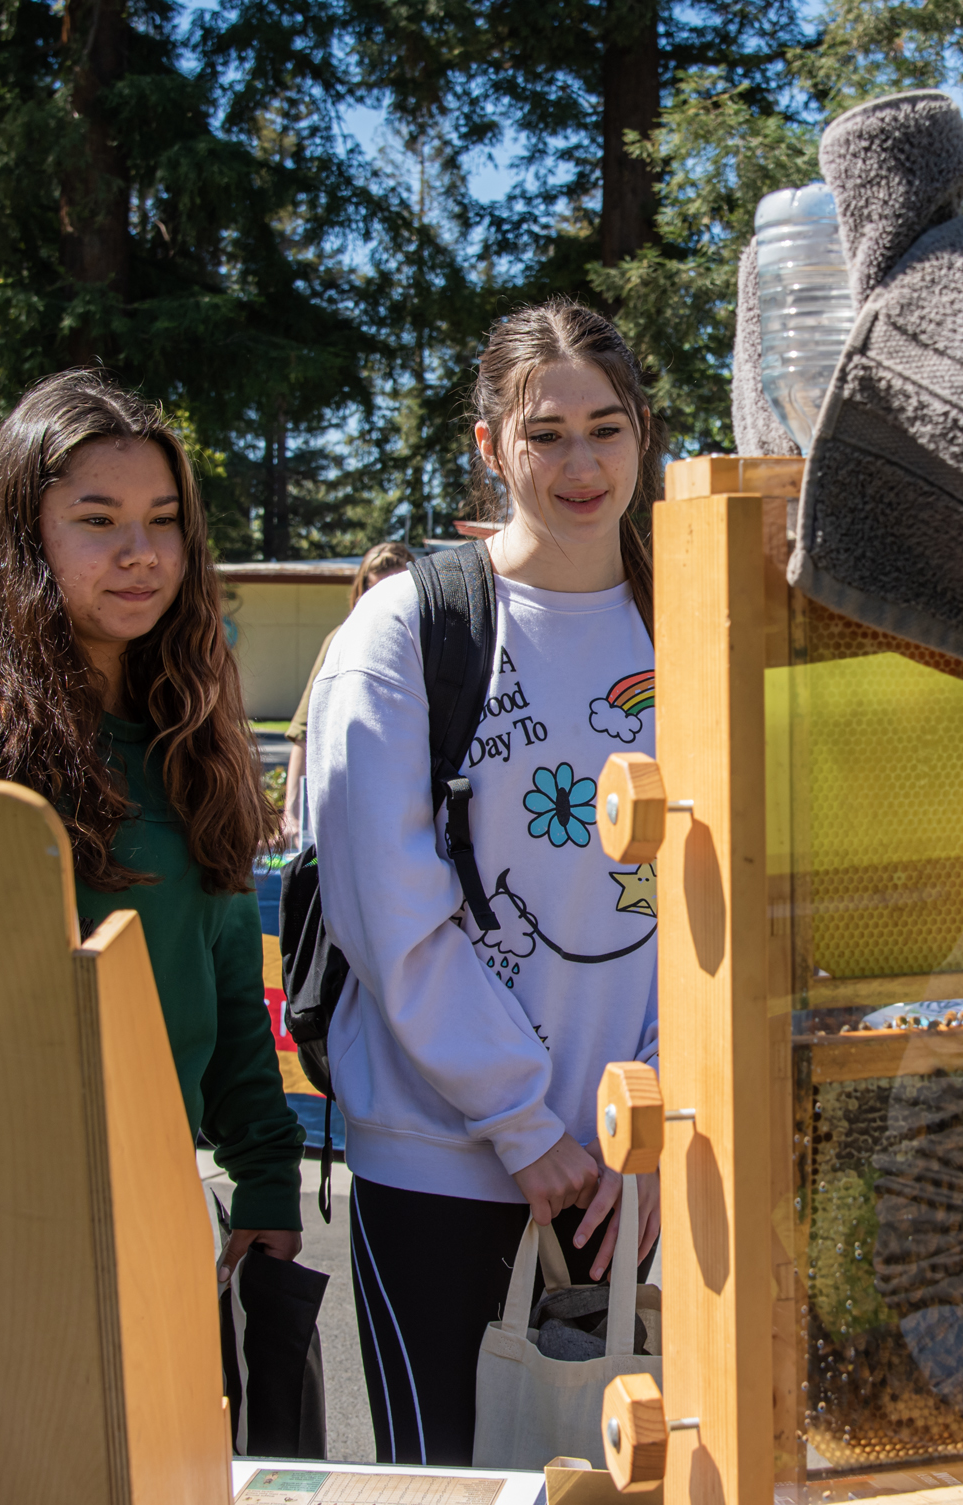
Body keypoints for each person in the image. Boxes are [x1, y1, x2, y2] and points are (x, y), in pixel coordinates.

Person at [0, 369, 304, 1279]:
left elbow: (230, 976)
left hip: (154, 1210)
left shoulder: (188, 734)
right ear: (19, 537)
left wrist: (268, 1179)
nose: (142, 551)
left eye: (163, 518)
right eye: (97, 519)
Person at [308, 298, 662, 1465]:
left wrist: (655, 1121)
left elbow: (741, 890)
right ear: (488, 445)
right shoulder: (410, 630)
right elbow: (388, 909)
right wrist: (520, 1120)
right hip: (446, 1162)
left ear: (644, 435)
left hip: (636, 1175)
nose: (580, 463)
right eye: (544, 432)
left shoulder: (694, 618)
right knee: (455, 1484)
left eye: (606, 428)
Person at [280, 540, 415, 846]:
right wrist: (292, 814)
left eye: (396, 589)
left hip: (411, 814)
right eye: (376, 591)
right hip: (350, 815)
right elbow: (305, 733)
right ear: (361, 592)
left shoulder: (434, 644)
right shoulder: (341, 641)